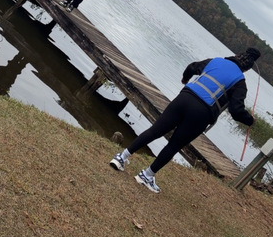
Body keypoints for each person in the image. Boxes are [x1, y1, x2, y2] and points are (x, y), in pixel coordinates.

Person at [110, 47, 261, 194]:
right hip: (201, 113)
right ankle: (146, 176)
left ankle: (121, 157)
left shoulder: (216, 61)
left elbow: (192, 67)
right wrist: (250, 120)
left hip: (184, 97)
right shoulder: (240, 82)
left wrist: (185, 79)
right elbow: (236, 110)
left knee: (155, 130)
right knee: (174, 145)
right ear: (247, 69)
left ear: (236, 55)